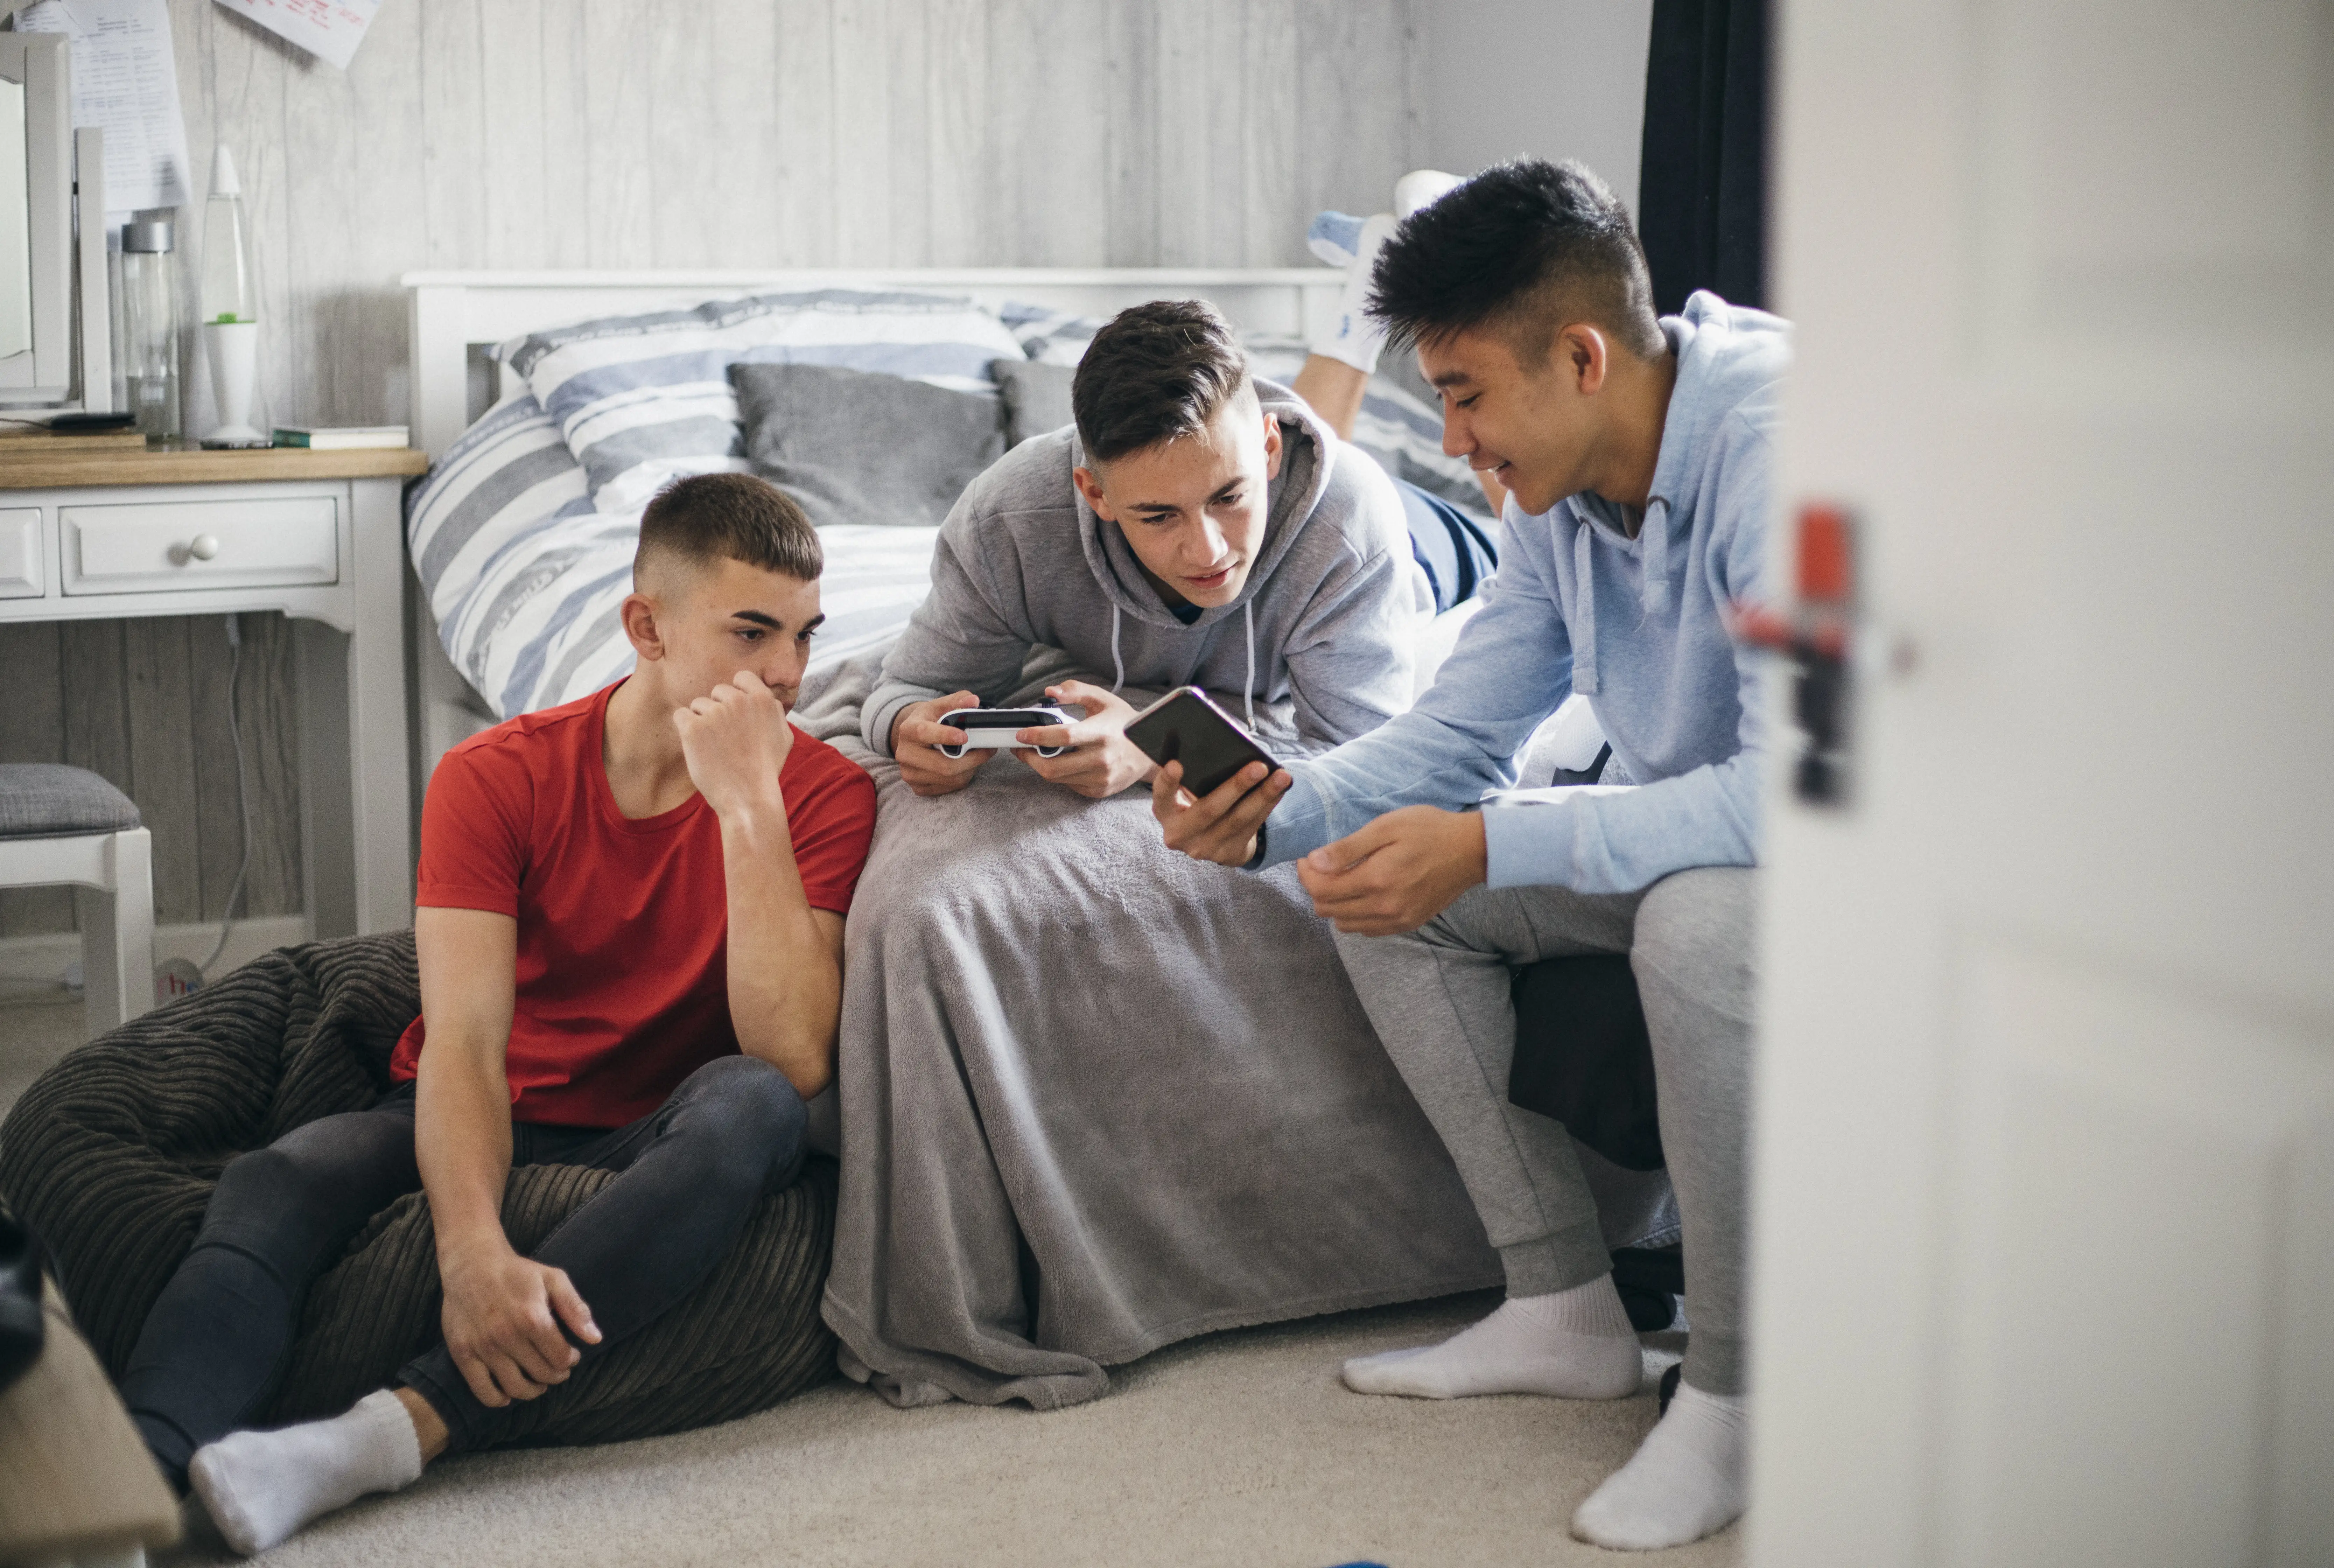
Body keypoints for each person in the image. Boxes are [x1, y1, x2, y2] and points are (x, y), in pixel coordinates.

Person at [1149, 158, 1785, 1551]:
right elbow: (1453, 739)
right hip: (1707, 842)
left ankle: (1737, 1394)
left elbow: (1796, 799)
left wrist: (1495, 839)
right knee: (1389, 882)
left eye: (1465, 392)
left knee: (1697, 923)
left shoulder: (1783, 445)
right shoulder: (1553, 497)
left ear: (1580, 354)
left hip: (1863, 864)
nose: (1454, 435)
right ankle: (1564, 1306)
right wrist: (1275, 811)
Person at [120, 474, 878, 1554]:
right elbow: (465, 1045)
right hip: (496, 1092)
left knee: (754, 1107)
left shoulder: (824, 795)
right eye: (752, 632)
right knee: (275, 1175)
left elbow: (794, 1054)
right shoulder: (493, 775)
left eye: (804, 635)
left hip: (660, 1123)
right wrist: (471, 1250)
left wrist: (747, 804)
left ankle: (394, 1430)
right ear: (644, 626)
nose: (789, 674)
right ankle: (132, 1494)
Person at [864, 297, 1424, 795]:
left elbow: (1371, 767)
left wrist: (1157, 752)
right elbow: (908, 691)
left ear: (1270, 449)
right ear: (1094, 494)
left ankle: (1363, 305)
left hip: (1433, 539)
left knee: (1505, 487)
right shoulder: (1007, 522)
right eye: (1158, 516)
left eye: (1229, 497)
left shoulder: (1354, 528)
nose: (1208, 553)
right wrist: (909, 726)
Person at [1294, 169, 1506, 612]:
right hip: (1382, 515)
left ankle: (1380, 266)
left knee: (1295, 507)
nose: (1454, 444)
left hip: (1412, 534)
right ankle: (1384, 261)